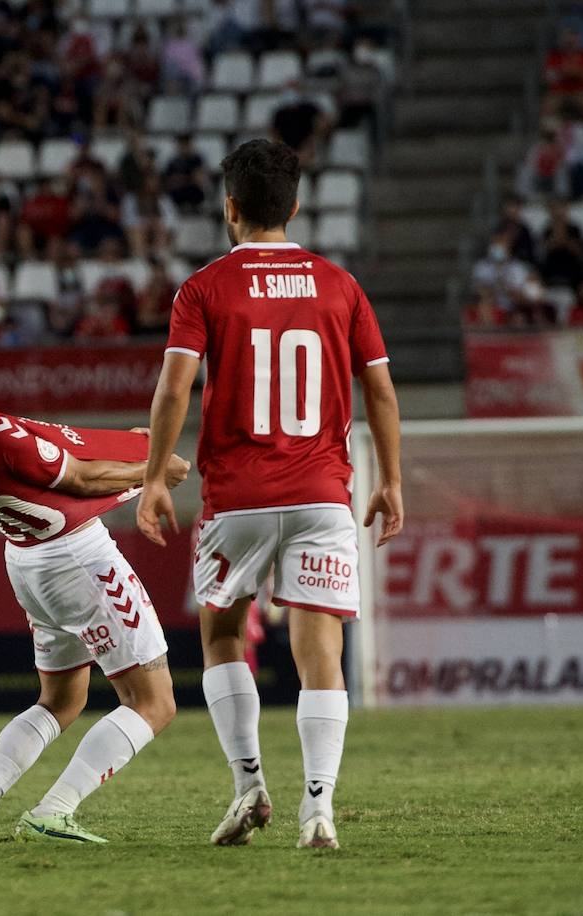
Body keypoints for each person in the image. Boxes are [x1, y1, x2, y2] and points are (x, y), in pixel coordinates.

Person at [136, 139, 403, 851]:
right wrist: (392, 481)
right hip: (322, 492)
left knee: (222, 634)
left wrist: (157, 475)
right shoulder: (340, 284)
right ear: (296, 205)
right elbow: (379, 389)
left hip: (237, 498)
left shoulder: (203, 288)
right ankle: (318, 808)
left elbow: (174, 387)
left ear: (230, 208)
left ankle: (250, 785)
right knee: (320, 645)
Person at [0, 296, 191, 844]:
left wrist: (128, 447)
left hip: (27, 562)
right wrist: (150, 473)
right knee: (154, 703)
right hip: (78, 559)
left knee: (60, 701)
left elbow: (50, 445)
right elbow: (77, 479)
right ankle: (55, 809)